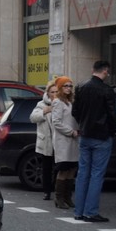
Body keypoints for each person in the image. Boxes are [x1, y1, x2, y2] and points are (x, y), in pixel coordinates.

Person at [71, 60, 116, 222]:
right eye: (108, 72)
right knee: (97, 174)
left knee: (83, 173)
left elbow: (75, 111)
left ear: (93, 69)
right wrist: (112, 131)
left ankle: (79, 211)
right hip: (102, 136)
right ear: (105, 71)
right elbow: (112, 115)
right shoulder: (107, 90)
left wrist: (83, 124)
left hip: (85, 135)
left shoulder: (81, 87)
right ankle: (90, 212)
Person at [51, 76, 79, 209]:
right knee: (63, 168)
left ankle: (68, 197)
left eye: (70, 86)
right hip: (63, 140)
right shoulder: (57, 102)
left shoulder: (71, 102)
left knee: (72, 168)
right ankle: (59, 197)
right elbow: (56, 122)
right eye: (65, 86)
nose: (68, 88)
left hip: (74, 140)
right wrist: (70, 131)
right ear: (60, 88)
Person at [30, 79, 58, 200]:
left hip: (59, 141)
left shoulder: (62, 103)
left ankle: (58, 190)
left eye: (57, 91)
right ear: (48, 93)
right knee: (46, 168)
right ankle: (46, 191)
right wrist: (45, 111)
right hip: (46, 141)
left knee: (59, 167)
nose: (54, 94)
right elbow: (33, 117)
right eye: (52, 92)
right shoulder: (42, 104)